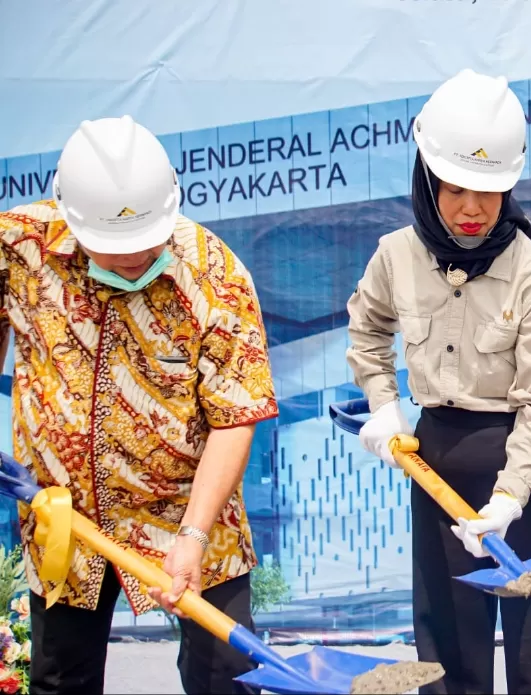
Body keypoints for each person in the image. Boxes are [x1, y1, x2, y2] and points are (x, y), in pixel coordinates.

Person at [0, 116, 277, 695]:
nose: (132, 256)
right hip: (65, 521)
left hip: (190, 510)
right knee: (61, 679)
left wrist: (195, 536)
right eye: (112, 245)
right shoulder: (20, 247)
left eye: (144, 239)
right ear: (71, 219)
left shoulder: (214, 274)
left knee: (226, 678)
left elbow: (236, 417)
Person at [344, 68, 531, 694]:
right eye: (455, 188)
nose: (472, 209)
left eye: (489, 191)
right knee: (448, 644)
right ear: (426, 178)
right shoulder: (395, 255)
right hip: (439, 457)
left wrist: (509, 500)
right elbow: (366, 328)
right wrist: (383, 405)